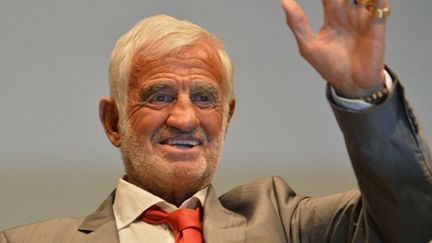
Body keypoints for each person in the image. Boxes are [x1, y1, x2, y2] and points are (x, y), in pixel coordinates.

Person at [1, 0, 431, 242]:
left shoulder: (286, 225)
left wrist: (362, 93)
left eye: (205, 98)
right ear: (113, 122)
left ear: (227, 117)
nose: (185, 118)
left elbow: (411, 222)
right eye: (160, 95)